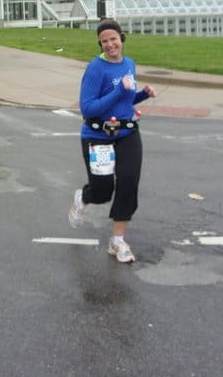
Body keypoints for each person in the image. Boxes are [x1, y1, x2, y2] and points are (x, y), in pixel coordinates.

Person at [68, 18, 156, 264]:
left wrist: (142, 95)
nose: (109, 44)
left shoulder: (129, 64)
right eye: (104, 41)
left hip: (127, 133)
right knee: (102, 190)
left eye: (113, 39)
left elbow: (125, 100)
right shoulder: (96, 69)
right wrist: (119, 91)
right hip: (98, 137)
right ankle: (84, 197)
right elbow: (88, 108)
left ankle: (117, 241)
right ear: (100, 43)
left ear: (121, 39)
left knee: (128, 183)